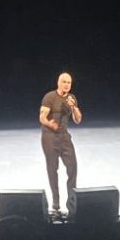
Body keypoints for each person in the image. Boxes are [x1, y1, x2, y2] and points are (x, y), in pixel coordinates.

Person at [39, 72, 83, 212]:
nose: (66, 85)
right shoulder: (50, 97)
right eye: (64, 82)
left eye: (69, 82)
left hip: (64, 136)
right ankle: (55, 200)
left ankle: (71, 201)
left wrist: (74, 107)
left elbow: (78, 120)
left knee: (73, 167)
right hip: (49, 137)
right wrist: (50, 124)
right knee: (52, 169)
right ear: (58, 82)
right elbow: (42, 117)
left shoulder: (72, 98)